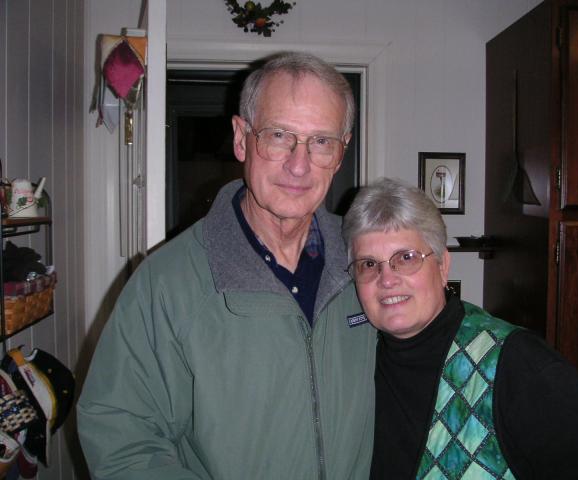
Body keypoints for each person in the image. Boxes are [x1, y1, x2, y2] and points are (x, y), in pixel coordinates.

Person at [77, 52, 377, 479]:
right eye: (279, 135)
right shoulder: (166, 284)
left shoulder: (366, 262)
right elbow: (122, 441)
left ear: (342, 152)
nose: (299, 163)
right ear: (241, 138)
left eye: (321, 142)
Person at [342, 177, 578, 480]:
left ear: (442, 266)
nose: (387, 279)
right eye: (368, 264)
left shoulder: (519, 367)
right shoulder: (355, 365)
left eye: (406, 258)